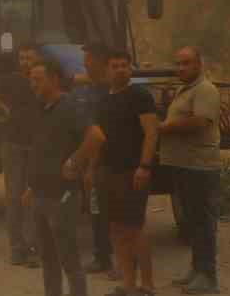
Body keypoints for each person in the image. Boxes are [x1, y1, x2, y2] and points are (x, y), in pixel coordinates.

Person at [86, 49, 159, 296]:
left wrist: (144, 166)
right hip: (107, 172)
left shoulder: (140, 95)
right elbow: (97, 138)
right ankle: (128, 284)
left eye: (124, 66)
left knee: (134, 228)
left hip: (132, 172)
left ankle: (147, 285)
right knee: (116, 229)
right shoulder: (103, 100)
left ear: (131, 69)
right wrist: (92, 170)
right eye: (115, 66)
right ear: (107, 70)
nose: (120, 70)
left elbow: (151, 132)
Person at [23, 57, 90, 296]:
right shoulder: (42, 109)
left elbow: (96, 138)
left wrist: (75, 161)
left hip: (62, 196)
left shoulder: (70, 107)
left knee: (69, 259)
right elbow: (42, 150)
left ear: (54, 79)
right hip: (40, 195)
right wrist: (32, 187)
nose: (33, 85)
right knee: (48, 259)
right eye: (31, 80)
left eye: (38, 80)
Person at [159, 46, 222, 295]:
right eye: (178, 63)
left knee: (203, 223)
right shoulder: (186, 90)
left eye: (186, 63)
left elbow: (201, 122)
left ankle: (208, 276)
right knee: (193, 222)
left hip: (200, 166)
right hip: (185, 165)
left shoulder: (206, 90)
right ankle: (197, 270)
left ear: (198, 65)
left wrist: (165, 127)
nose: (180, 68)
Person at [0, 46, 41, 267]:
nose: (25, 61)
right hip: (13, 144)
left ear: (38, 59)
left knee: (34, 195)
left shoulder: (43, 79)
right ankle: (16, 247)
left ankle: (32, 247)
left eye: (29, 57)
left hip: (37, 145)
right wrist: (4, 108)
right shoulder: (11, 80)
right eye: (22, 57)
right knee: (13, 195)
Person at [70, 41, 116, 278]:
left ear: (100, 61)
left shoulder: (110, 92)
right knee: (97, 210)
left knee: (112, 212)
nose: (85, 64)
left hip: (108, 161)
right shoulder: (92, 87)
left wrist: (90, 167)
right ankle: (102, 255)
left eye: (88, 60)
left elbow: (99, 133)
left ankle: (115, 261)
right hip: (95, 159)